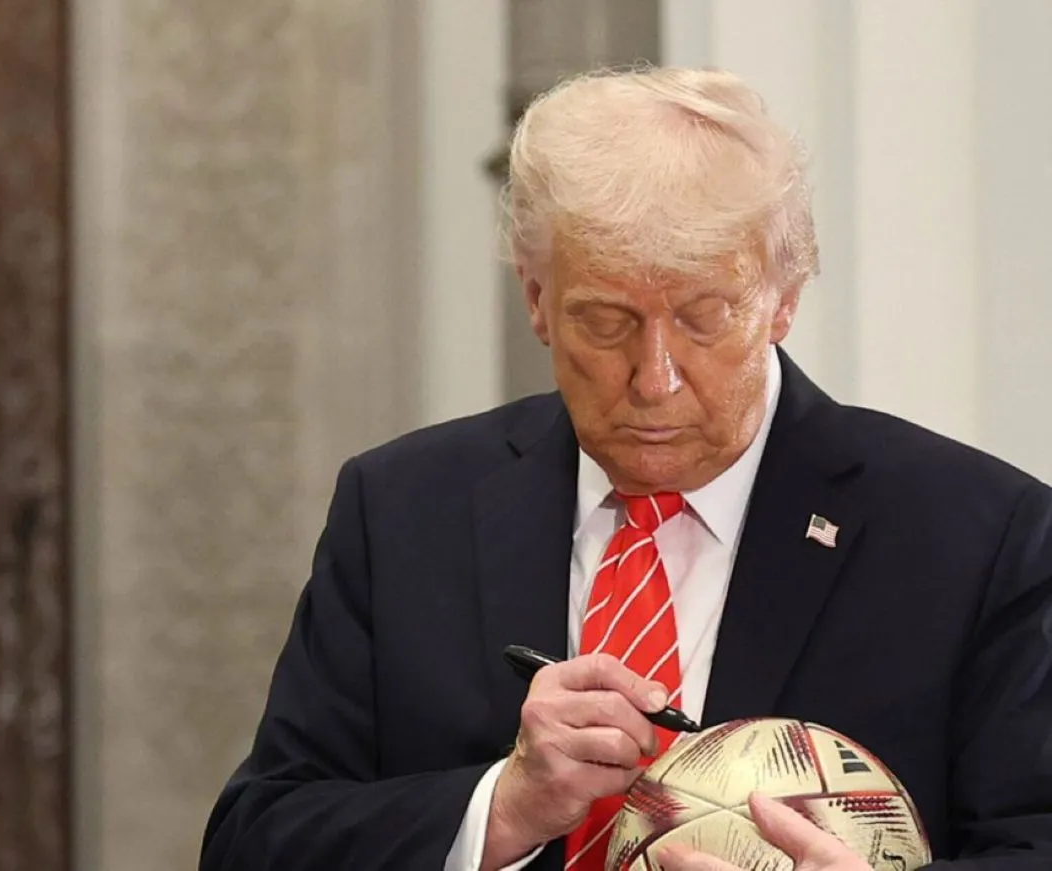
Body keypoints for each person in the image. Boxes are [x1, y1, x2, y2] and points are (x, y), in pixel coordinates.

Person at [200, 66, 1052, 871]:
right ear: (536, 298)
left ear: (783, 297)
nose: (655, 378)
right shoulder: (401, 513)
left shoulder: (977, 536)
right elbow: (257, 840)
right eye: (606, 322)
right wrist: (504, 806)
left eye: (704, 317)